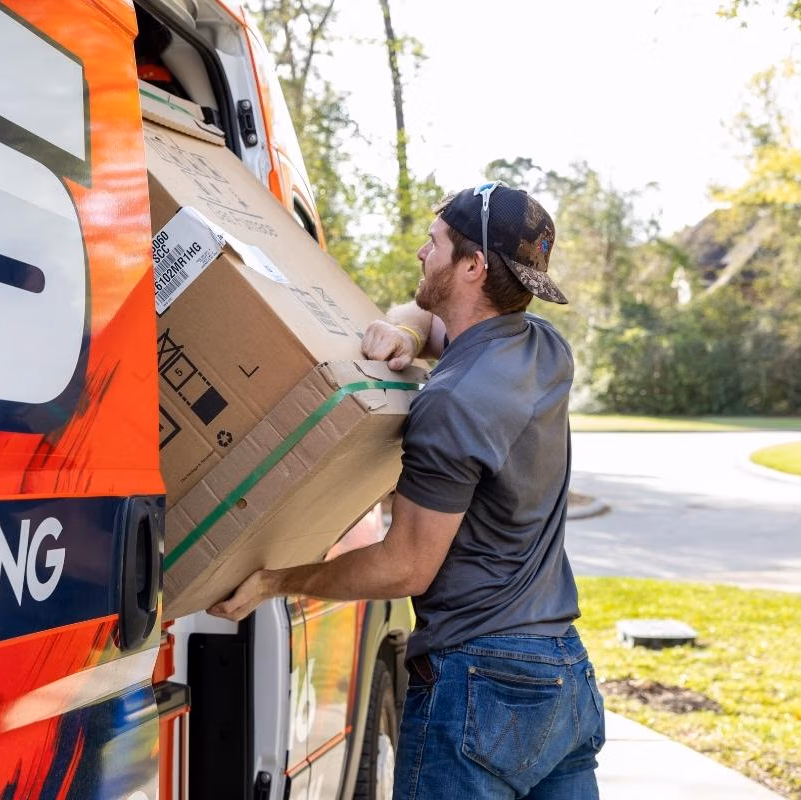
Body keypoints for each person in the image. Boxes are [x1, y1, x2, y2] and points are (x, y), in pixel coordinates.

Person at [209, 182, 605, 799]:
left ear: (472, 266)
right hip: (562, 676)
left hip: (478, 685)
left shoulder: (451, 403)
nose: (422, 252)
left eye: (435, 241)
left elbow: (405, 566)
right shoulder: (544, 350)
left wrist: (276, 580)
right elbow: (426, 315)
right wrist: (405, 332)